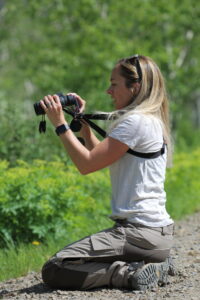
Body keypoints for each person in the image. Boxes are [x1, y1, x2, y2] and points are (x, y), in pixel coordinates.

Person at [40, 54, 174, 291]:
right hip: (155, 234)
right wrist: (84, 130)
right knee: (78, 260)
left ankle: (129, 274)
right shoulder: (150, 120)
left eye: (114, 84)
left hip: (138, 232)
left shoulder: (135, 122)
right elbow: (103, 156)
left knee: (55, 268)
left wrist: (60, 124)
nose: (108, 91)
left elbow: (87, 165)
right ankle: (153, 262)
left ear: (135, 87)